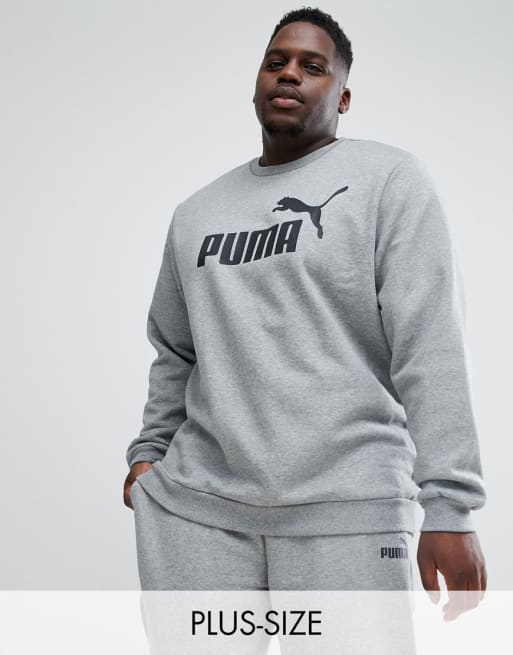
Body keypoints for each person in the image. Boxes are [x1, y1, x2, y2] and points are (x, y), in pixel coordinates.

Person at [123, 6, 487, 617]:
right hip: (197, 516)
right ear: (256, 85)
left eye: (313, 66)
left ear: (343, 97)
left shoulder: (389, 181)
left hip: (350, 514)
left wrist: (450, 505)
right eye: (276, 62)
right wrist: (148, 456)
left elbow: (430, 345)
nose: (289, 73)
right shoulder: (196, 214)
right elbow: (176, 351)